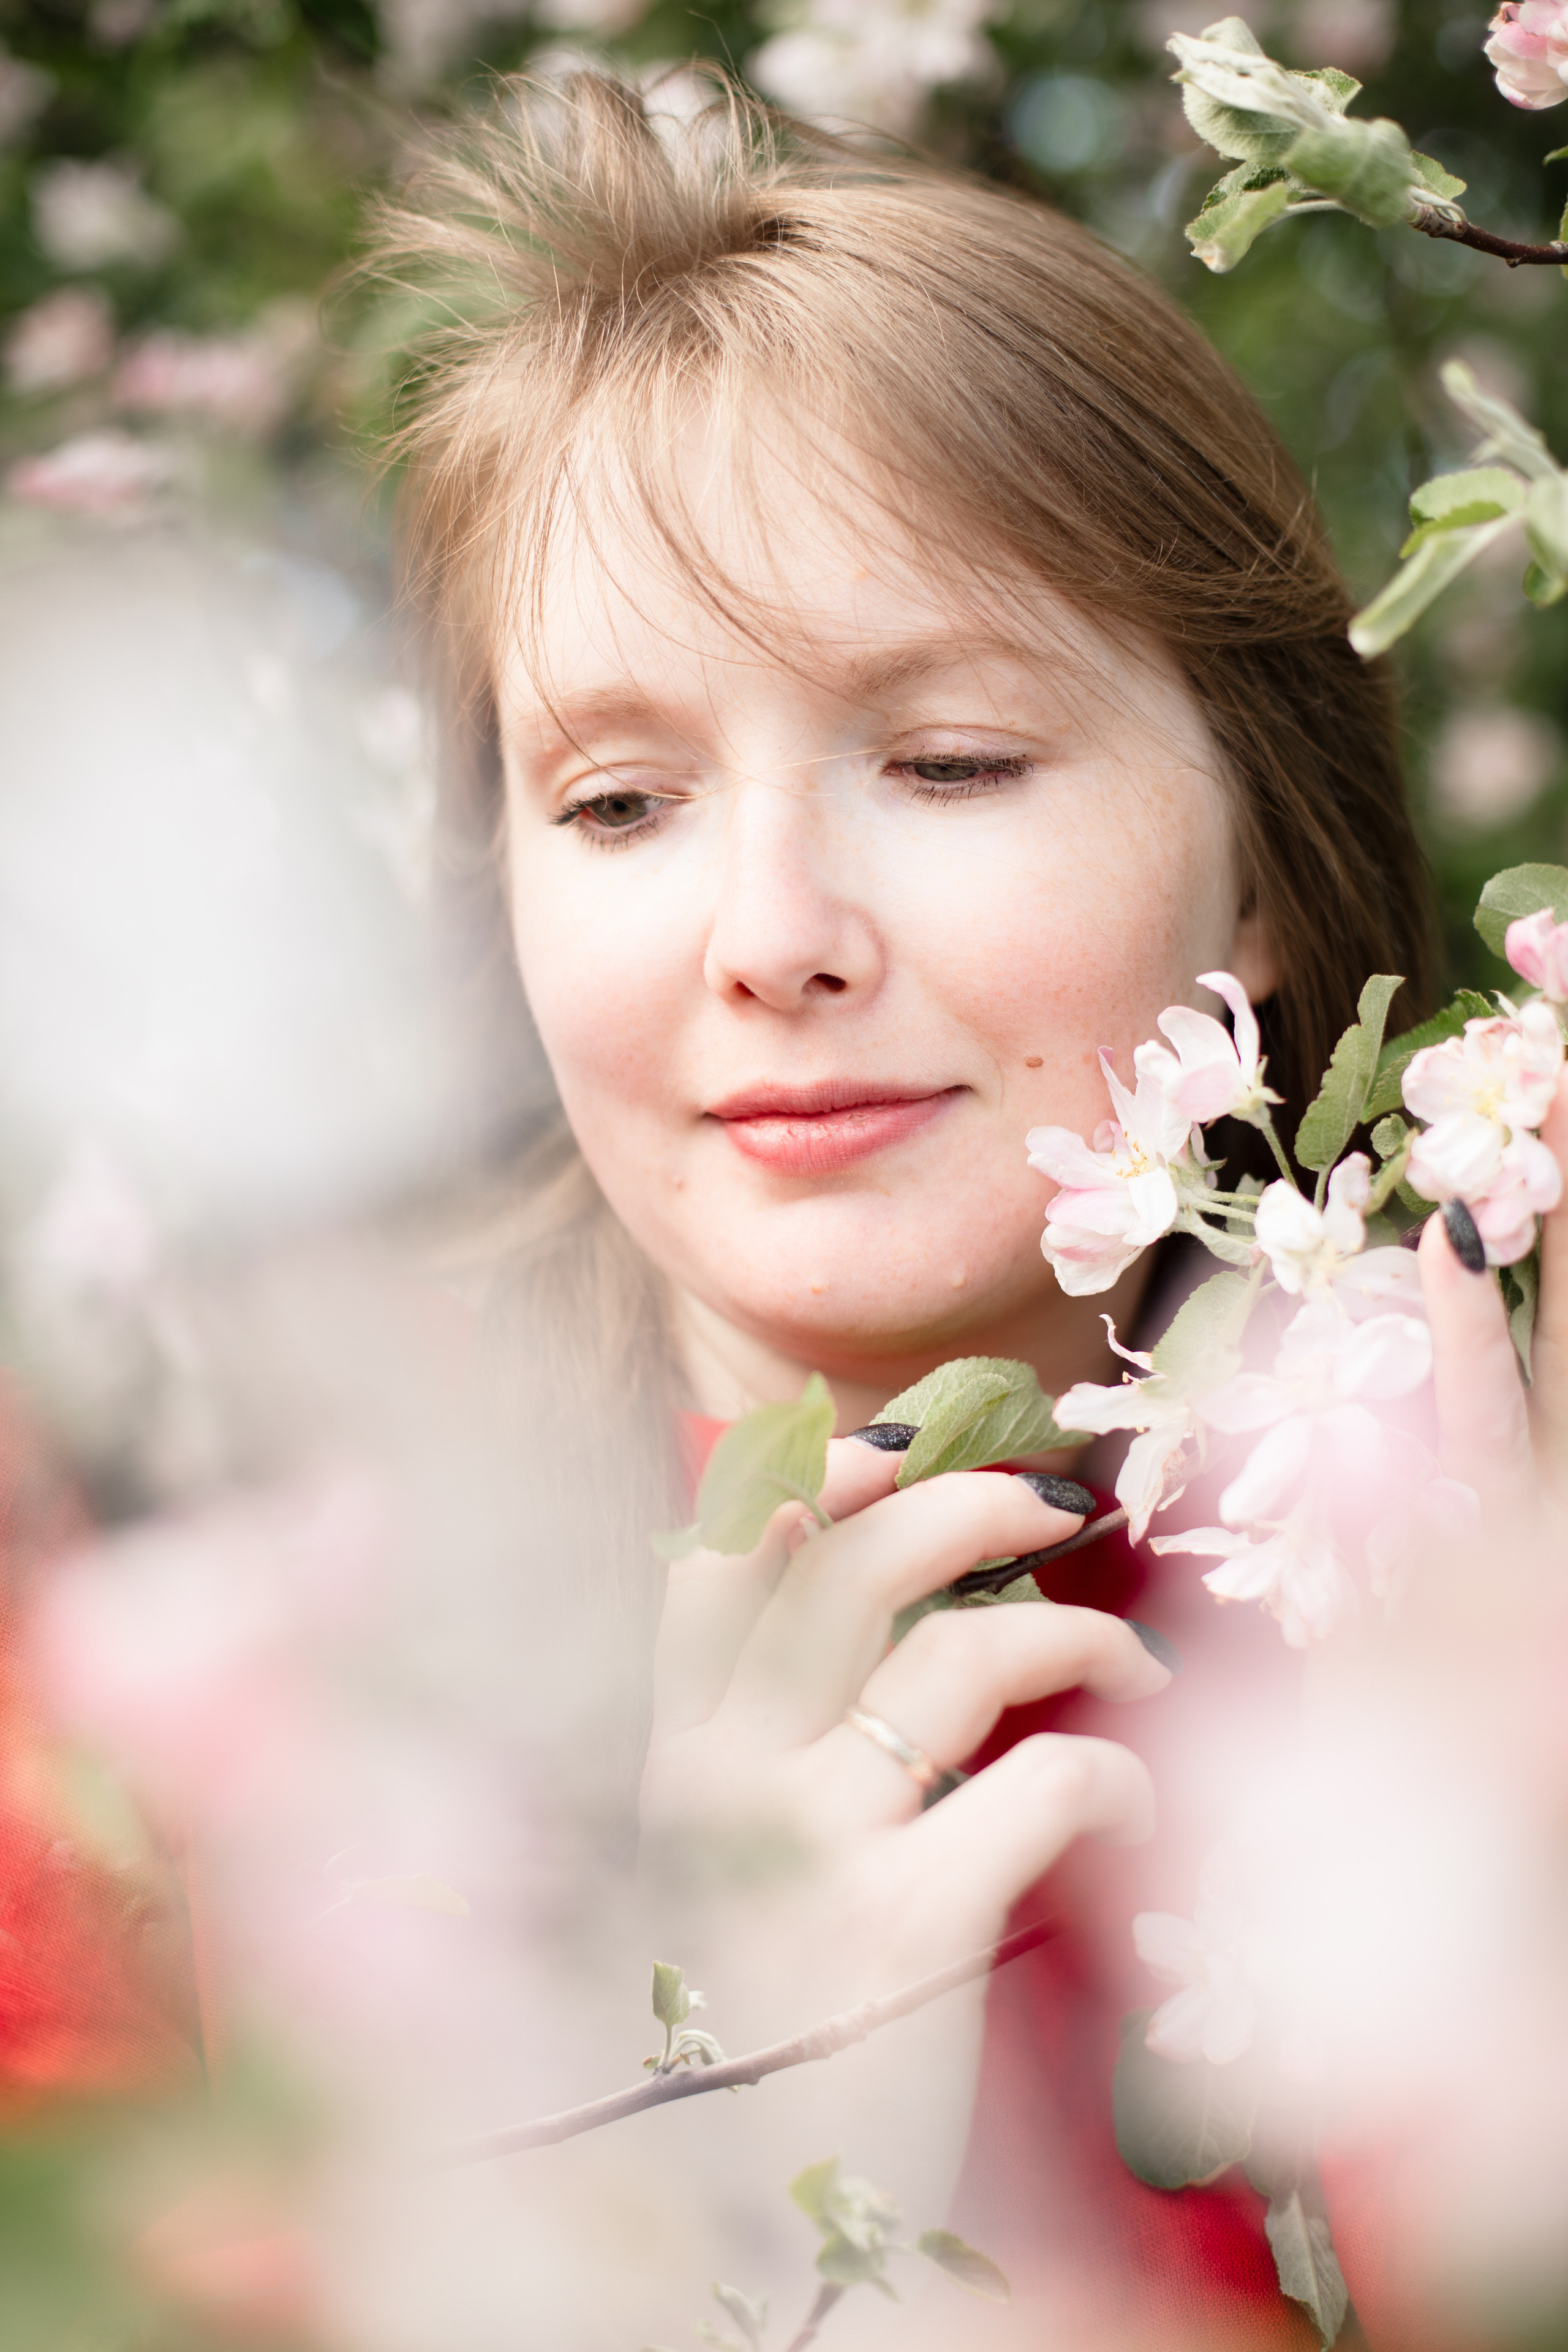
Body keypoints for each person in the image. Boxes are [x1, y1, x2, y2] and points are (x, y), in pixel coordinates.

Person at [361, 69, 1567, 2348]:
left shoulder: (1502, 1573)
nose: (770, 930)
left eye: (948, 763)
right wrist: (718, 2211)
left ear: (1268, 861)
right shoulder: (247, 1719)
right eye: (619, 801)